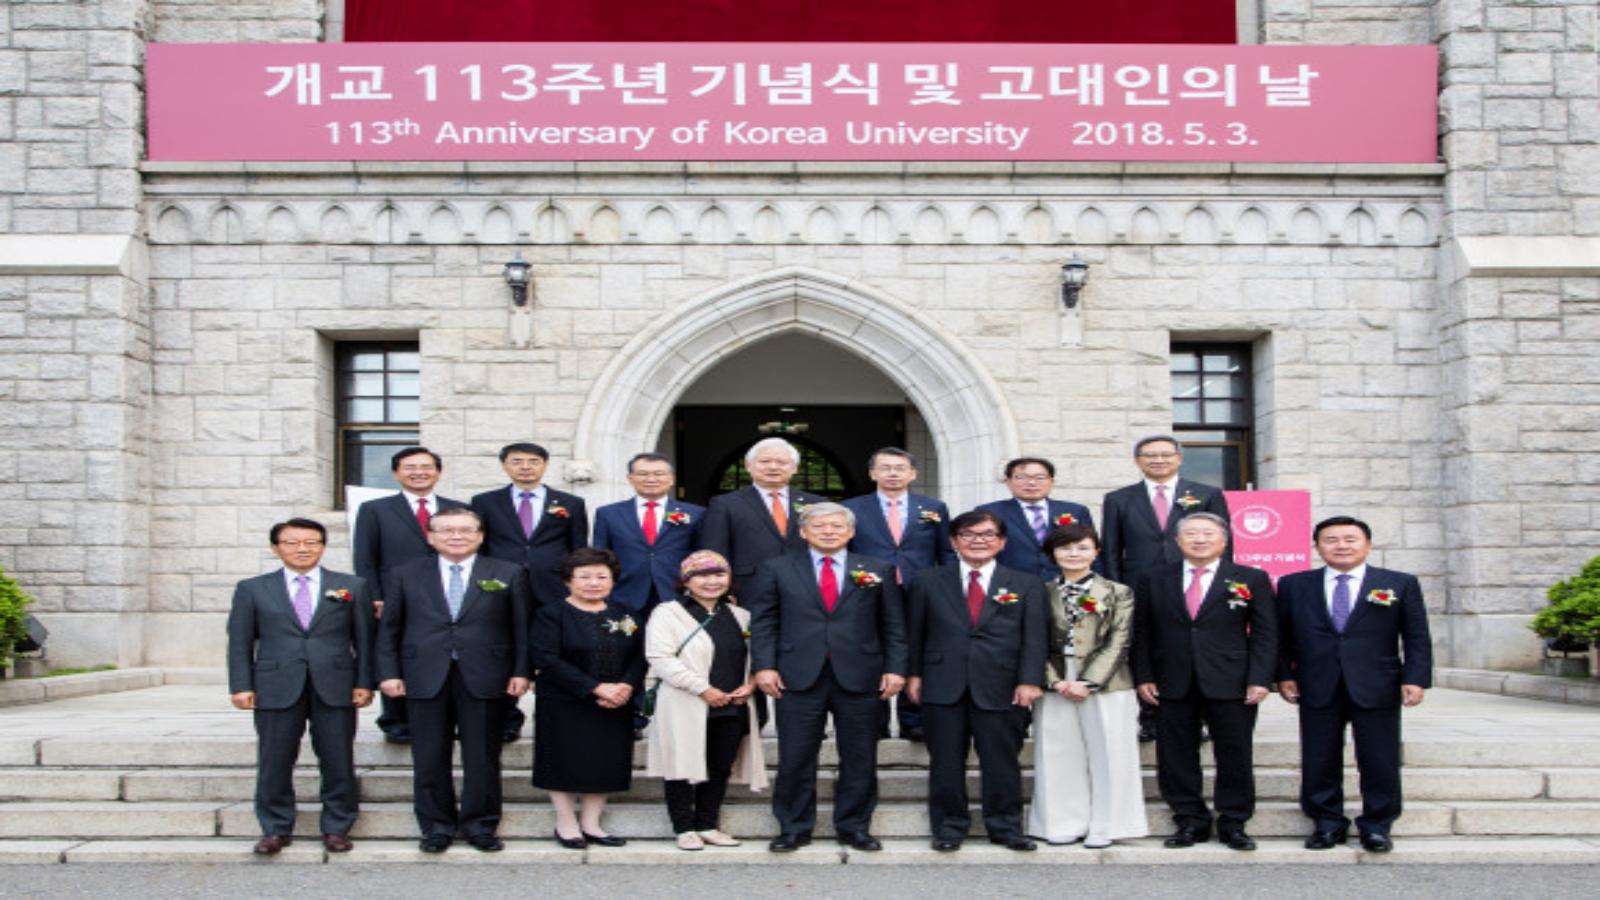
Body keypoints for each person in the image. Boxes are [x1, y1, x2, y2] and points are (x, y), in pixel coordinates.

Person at [745, 503, 906, 853]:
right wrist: (764, 666)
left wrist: (896, 668)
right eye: (819, 526)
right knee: (796, 756)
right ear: (804, 532)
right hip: (797, 675)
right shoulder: (777, 568)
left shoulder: (877, 568)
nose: (829, 532)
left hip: (861, 675)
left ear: (851, 532)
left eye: (837, 526)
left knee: (860, 757)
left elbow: (893, 624)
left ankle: (854, 827)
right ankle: (793, 827)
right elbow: (764, 621)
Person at [376, 508, 532, 853]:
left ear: (480, 535)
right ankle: (436, 827)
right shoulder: (404, 573)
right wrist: (388, 672)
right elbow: (389, 628)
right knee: (429, 756)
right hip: (423, 674)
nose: (457, 536)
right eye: (447, 530)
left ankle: (481, 826)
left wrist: (522, 670)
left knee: (482, 756)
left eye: (465, 530)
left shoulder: (508, 572)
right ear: (431, 537)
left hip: (487, 674)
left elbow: (521, 627)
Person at [1277, 516, 1433, 854]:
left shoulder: (1398, 583)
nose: (1341, 546)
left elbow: (1416, 635)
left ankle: (1377, 825)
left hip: (1377, 683)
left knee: (1379, 758)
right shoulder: (1294, 585)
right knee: (1319, 757)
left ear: (1368, 545)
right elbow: (1280, 636)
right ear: (1317, 547)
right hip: (1316, 682)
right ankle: (1326, 823)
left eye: (1350, 539)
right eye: (1331, 540)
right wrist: (1284, 675)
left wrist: (1415, 678)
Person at [227, 518, 374, 856]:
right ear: (275, 548)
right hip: (275, 684)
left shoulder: (351, 586)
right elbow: (239, 641)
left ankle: (337, 827)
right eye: (292, 542)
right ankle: (275, 829)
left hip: (335, 684)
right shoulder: (253, 588)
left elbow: (365, 639)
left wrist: (364, 681)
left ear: (323, 546)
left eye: (311, 542)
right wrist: (241, 685)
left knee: (338, 758)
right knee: (275, 759)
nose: (302, 549)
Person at [1132, 512, 1276, 852]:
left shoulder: (1250, 578)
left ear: (1224, 541)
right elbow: (1141, 632)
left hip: (1232, 679)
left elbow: (1266, 633)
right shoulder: (1153, 578)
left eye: (1208, 534)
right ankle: (1189, 819)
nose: (1200, 539)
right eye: (1191, 533)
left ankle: (1234, 821)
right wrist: (1144, 675)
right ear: (1178, 541)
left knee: (1235, 752)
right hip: (1170, 678)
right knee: (1175, 754)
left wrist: (1260, 678)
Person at [906, 510, 1047, 853]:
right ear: (954, 542)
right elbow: (915, 632)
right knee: (945, 762)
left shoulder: (1026, 583)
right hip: (942, 682)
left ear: (1001, 542)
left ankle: (1005, 827)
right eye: (968, 535)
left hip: (1002, 684)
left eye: (987, 535)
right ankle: (948, 828)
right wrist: (914, 674)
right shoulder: (927, 580)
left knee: (1002, 762)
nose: (978, 541)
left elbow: (1035, 637)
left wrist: (1030, 680)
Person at [1100, 435, 1232, 742]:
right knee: (1144, 648)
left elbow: (1224, 544)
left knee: (1190, 646)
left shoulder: (1207, 494)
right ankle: (1150, 718)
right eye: (1150, 455)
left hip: (1192, 582)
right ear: (1138, 461)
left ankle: (1199, 718)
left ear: (1179, 458)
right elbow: (1111, 549)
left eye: (1165, 454)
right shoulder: (1119, 498)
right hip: (1139, 586)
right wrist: (1117, 590)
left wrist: (1220, 584)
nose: (1158, 460)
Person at [1027, 522, 1147, 848]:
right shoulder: (1040, 591)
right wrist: (1055, 680)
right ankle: (1062, 822)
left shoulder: (1118, 592)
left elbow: (1119, 641)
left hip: (1107, 681)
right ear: (1052, 553)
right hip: (1056, 679)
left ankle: (1108, 825)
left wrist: (1089, 681)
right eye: (1065, 548)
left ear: (1096, 552)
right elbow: (1033, 640)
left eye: (1082, 547)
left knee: (1110, 752)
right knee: (1058, 752)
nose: (1074, 554)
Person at [644, 550, 767, 851]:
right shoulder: (668, 612)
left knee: (720, 766)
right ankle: (683, 827)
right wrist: (703, 689)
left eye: (719, 574)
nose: (712, 581)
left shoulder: (740, 615)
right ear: (686, 581)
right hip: (686, 701)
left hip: (731, 704)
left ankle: (707, 824)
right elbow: (660, 658)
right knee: (681, 765)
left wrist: (751, 684)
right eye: (702, 575)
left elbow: (755, 657)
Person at [472, 441, 590, 742]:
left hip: (552, 587)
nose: (525, 467)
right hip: (500, 587)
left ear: (545, 465)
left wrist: (575, 587)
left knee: (556, 650)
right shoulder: (485, 502)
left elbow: (578, 550)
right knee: (504, 650)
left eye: (533, 461)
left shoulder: (570, 503)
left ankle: (555, 717)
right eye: (517, 461)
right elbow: (480, 548)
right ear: (505, 465)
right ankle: (508, 719)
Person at [530, 548, 647, 849]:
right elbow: (546, 658)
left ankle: (592, 823)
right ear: (568, 580)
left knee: (604, 761)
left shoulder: (627, 614)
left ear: (613, 580)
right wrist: (595, 688)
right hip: (564, 701)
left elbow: (640, 656)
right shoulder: (550, 614)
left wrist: (626, 686)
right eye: (584, 576)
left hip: (615, 702)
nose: (594, 583)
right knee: (562, 759)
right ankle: (566, 822)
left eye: (601, 577)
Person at [352, 446, 467, 744]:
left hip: (448, 592)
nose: (419, 473)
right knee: (395, 652)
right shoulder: (375, 509)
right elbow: (365, 558)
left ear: (438, 472)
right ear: (396, 473)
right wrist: (374, 596)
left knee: (443, 653)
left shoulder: (458, 509)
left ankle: (449, 718)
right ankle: (396, 720)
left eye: (426, 467)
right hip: (395, 596)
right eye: (410, 467)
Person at [841, 447, 952, 742]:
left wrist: (948, 588)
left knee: (916, 651)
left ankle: (913, 719)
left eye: (900, 468)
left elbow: (946, 552)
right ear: (872, 473)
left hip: (920, 590)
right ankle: (874, 720)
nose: (893, 473)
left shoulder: (934, 508)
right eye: (885, 468)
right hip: (868, 590)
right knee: (871, 652)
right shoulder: (852, 508)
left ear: (912, 474)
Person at [698, 437, 826, 596]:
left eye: (782, 462)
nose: (773, 467)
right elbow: (715, 550)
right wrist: (723, 591)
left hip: (806, 586)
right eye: (765, 461)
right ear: (748, 465)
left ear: (795, 468)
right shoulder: (725, 503)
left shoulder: (816, 503)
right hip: (748, 587)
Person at [592, 453, 705, 619]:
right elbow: (600, 556)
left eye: (659, 474)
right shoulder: (608, 513)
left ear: (672, 479)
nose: (651, 479)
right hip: (624, 593)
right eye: (643, 474)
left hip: (676, 592)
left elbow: (701, 555)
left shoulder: (695, 513)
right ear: (630, 479)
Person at [975, 457, 1095, 581]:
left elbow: (1091, 549)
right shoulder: (989, 512)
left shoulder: (1076, 511)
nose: (1031, 483)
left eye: (1040, 477)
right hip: (1010, 583)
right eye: (1022, 477)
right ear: (1008, 482)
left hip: (1066, 582)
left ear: (1051, 482)